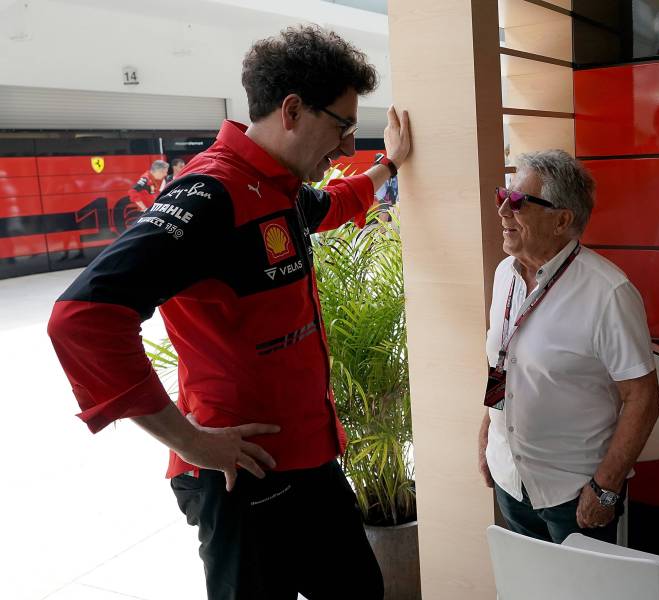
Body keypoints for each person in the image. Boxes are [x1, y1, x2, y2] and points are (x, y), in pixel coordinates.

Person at [48, 24, 411, 599]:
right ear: (292, 110)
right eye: (342, 127)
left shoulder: (279, 188)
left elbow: (334, 204)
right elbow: (82, 319)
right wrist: (190, 442)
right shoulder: (212, 194)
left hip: (310, 462)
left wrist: (389, 165)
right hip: (242, 476)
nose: (346, 148)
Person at [478, 150, 659, 545]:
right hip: (510, 477)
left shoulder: (608, 292)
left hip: (574, 493)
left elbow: (643, 398)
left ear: (561, 220)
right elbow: (501, 360)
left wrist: (606, 487)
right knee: (527, 579)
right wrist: (489, 430)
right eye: (503, 196)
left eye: (518, 201)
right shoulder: (505, 274)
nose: (503, 210)